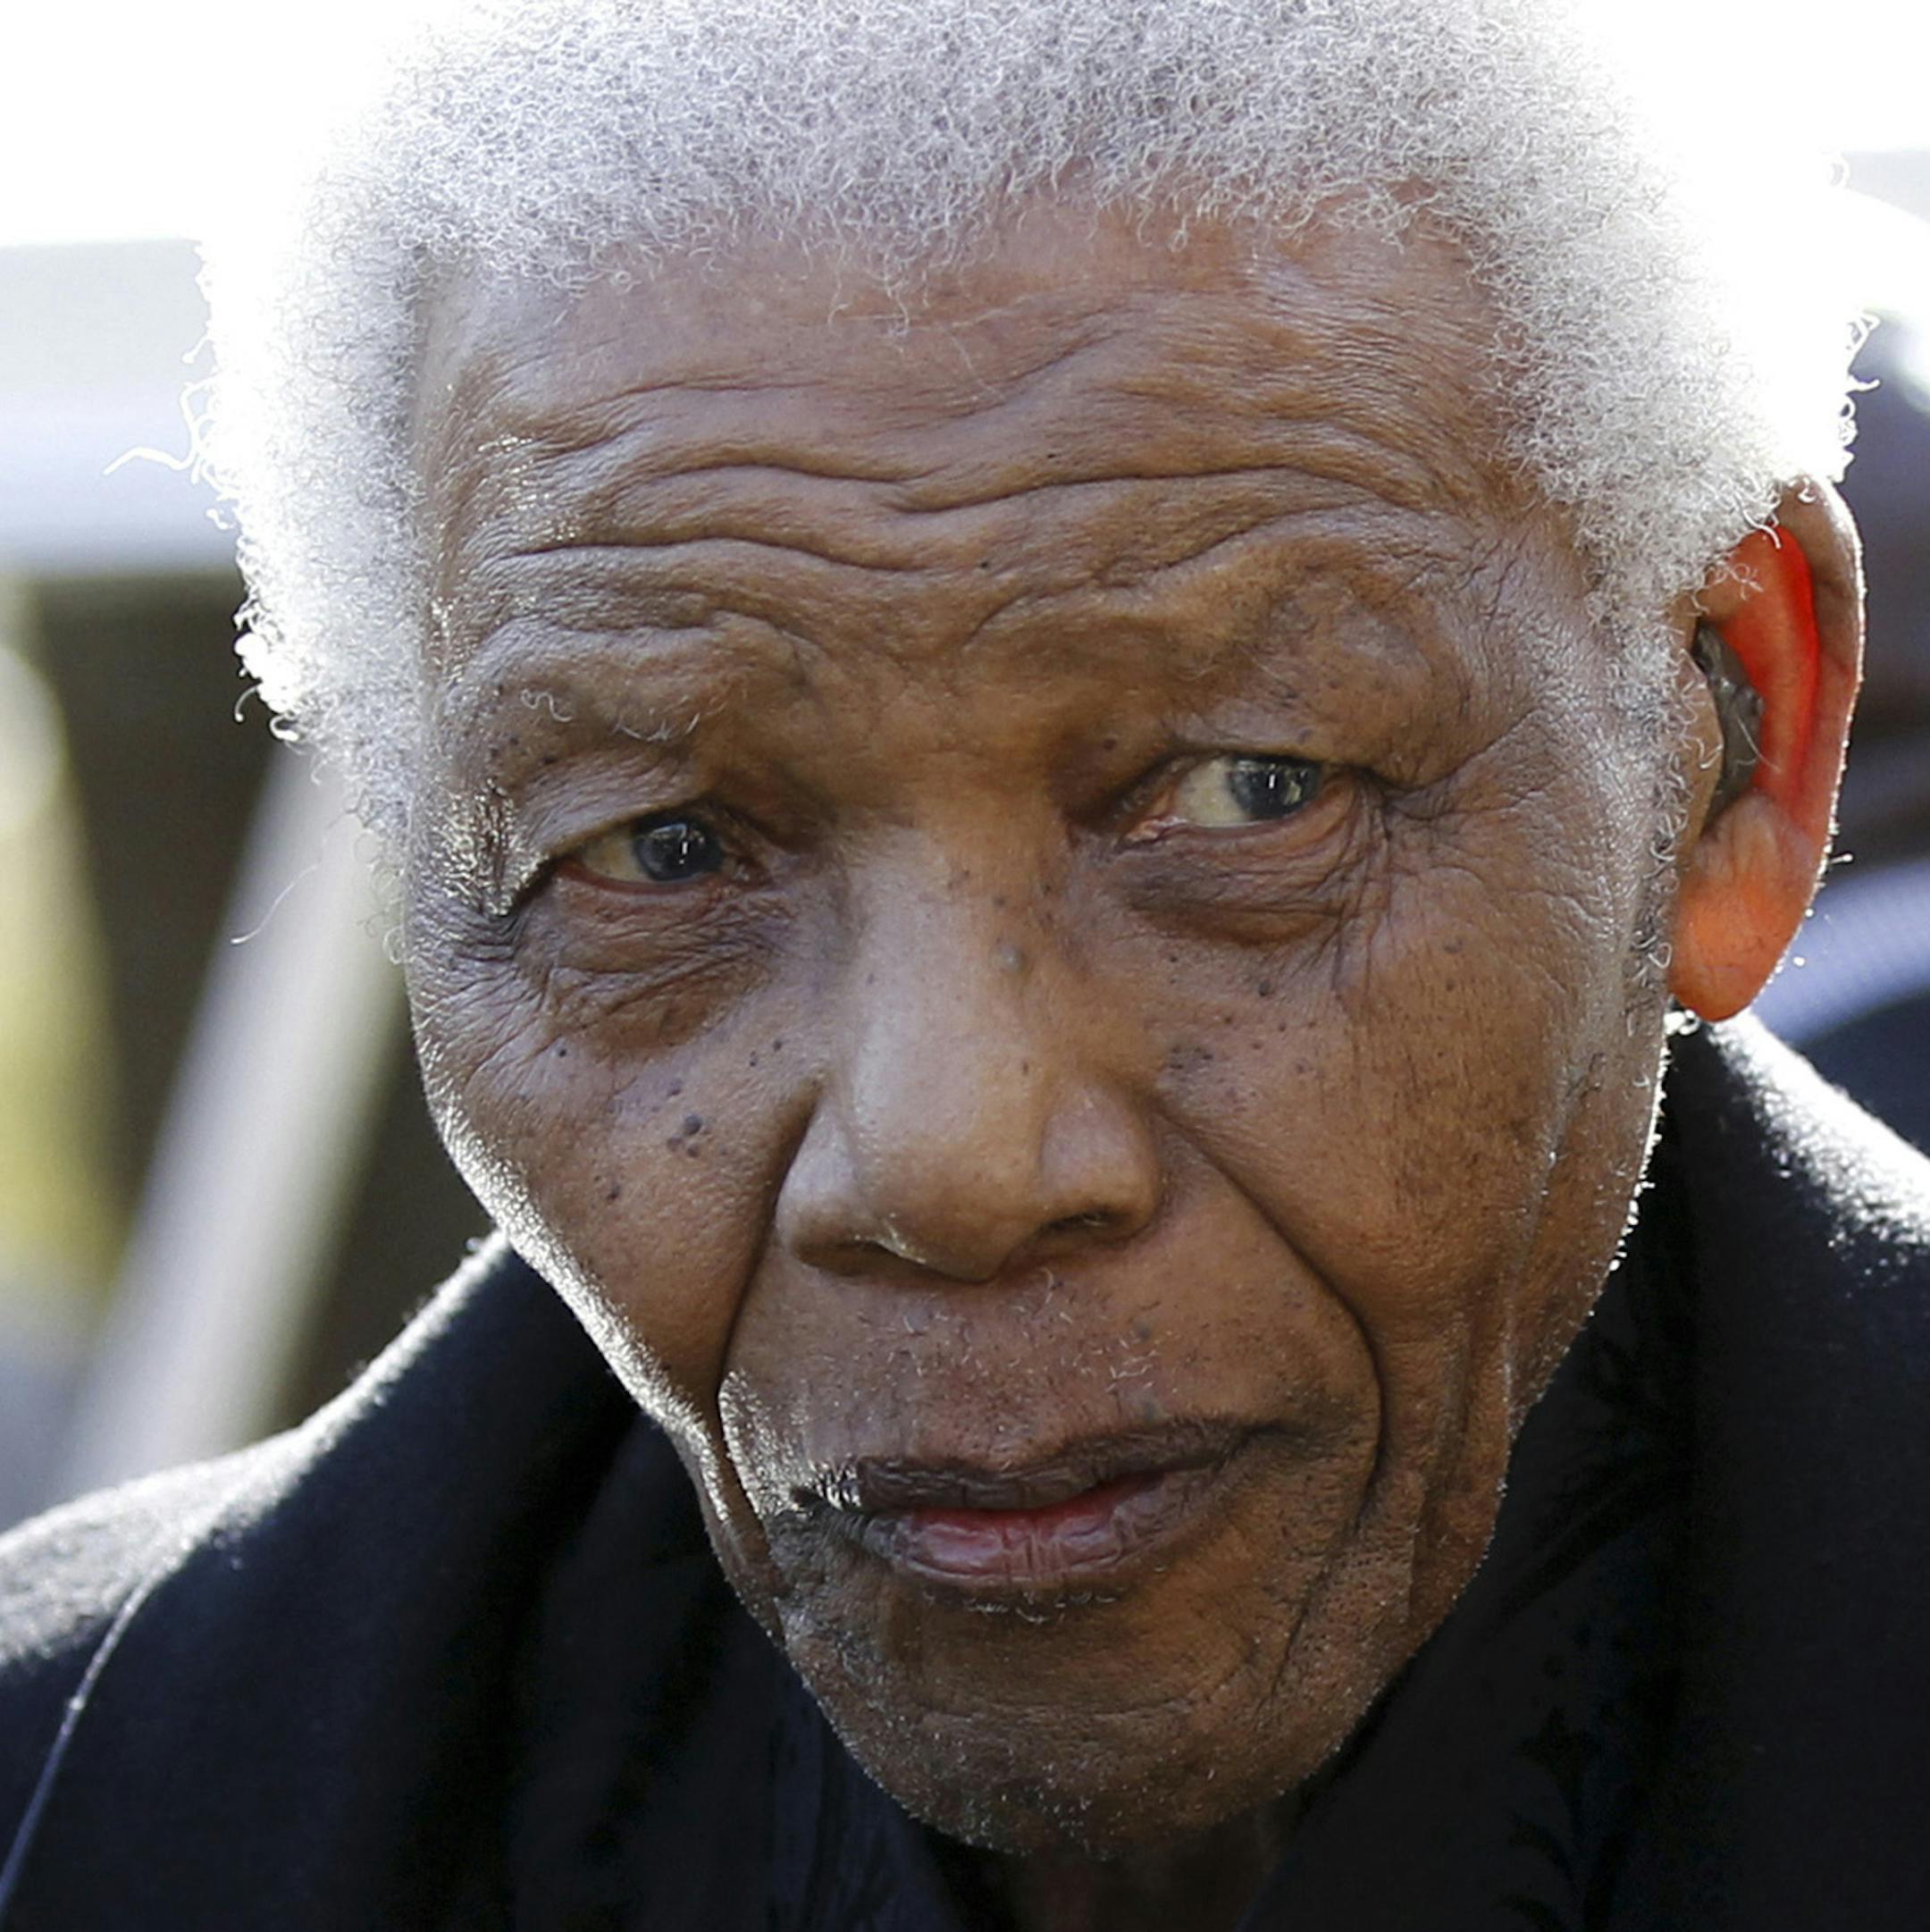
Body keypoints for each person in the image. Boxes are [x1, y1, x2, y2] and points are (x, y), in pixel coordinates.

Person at [3, 3, 1926, 1928]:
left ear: (1726, 742)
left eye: (1256, 795)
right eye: (662, 852)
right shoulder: (83, 1815)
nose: (953, 1162)